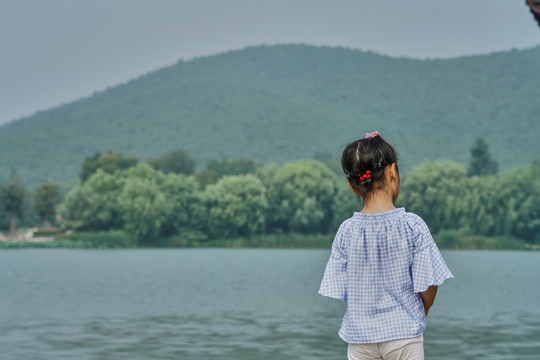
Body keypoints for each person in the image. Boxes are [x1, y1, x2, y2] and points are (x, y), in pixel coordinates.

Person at [319, 131, 453, 360]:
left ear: (353, 186)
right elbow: (428, 284)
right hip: (403, 334)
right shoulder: (413, 225)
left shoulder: (346, 231)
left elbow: (342, 287)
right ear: (392, 172)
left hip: (360, 338)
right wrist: (421, 312)